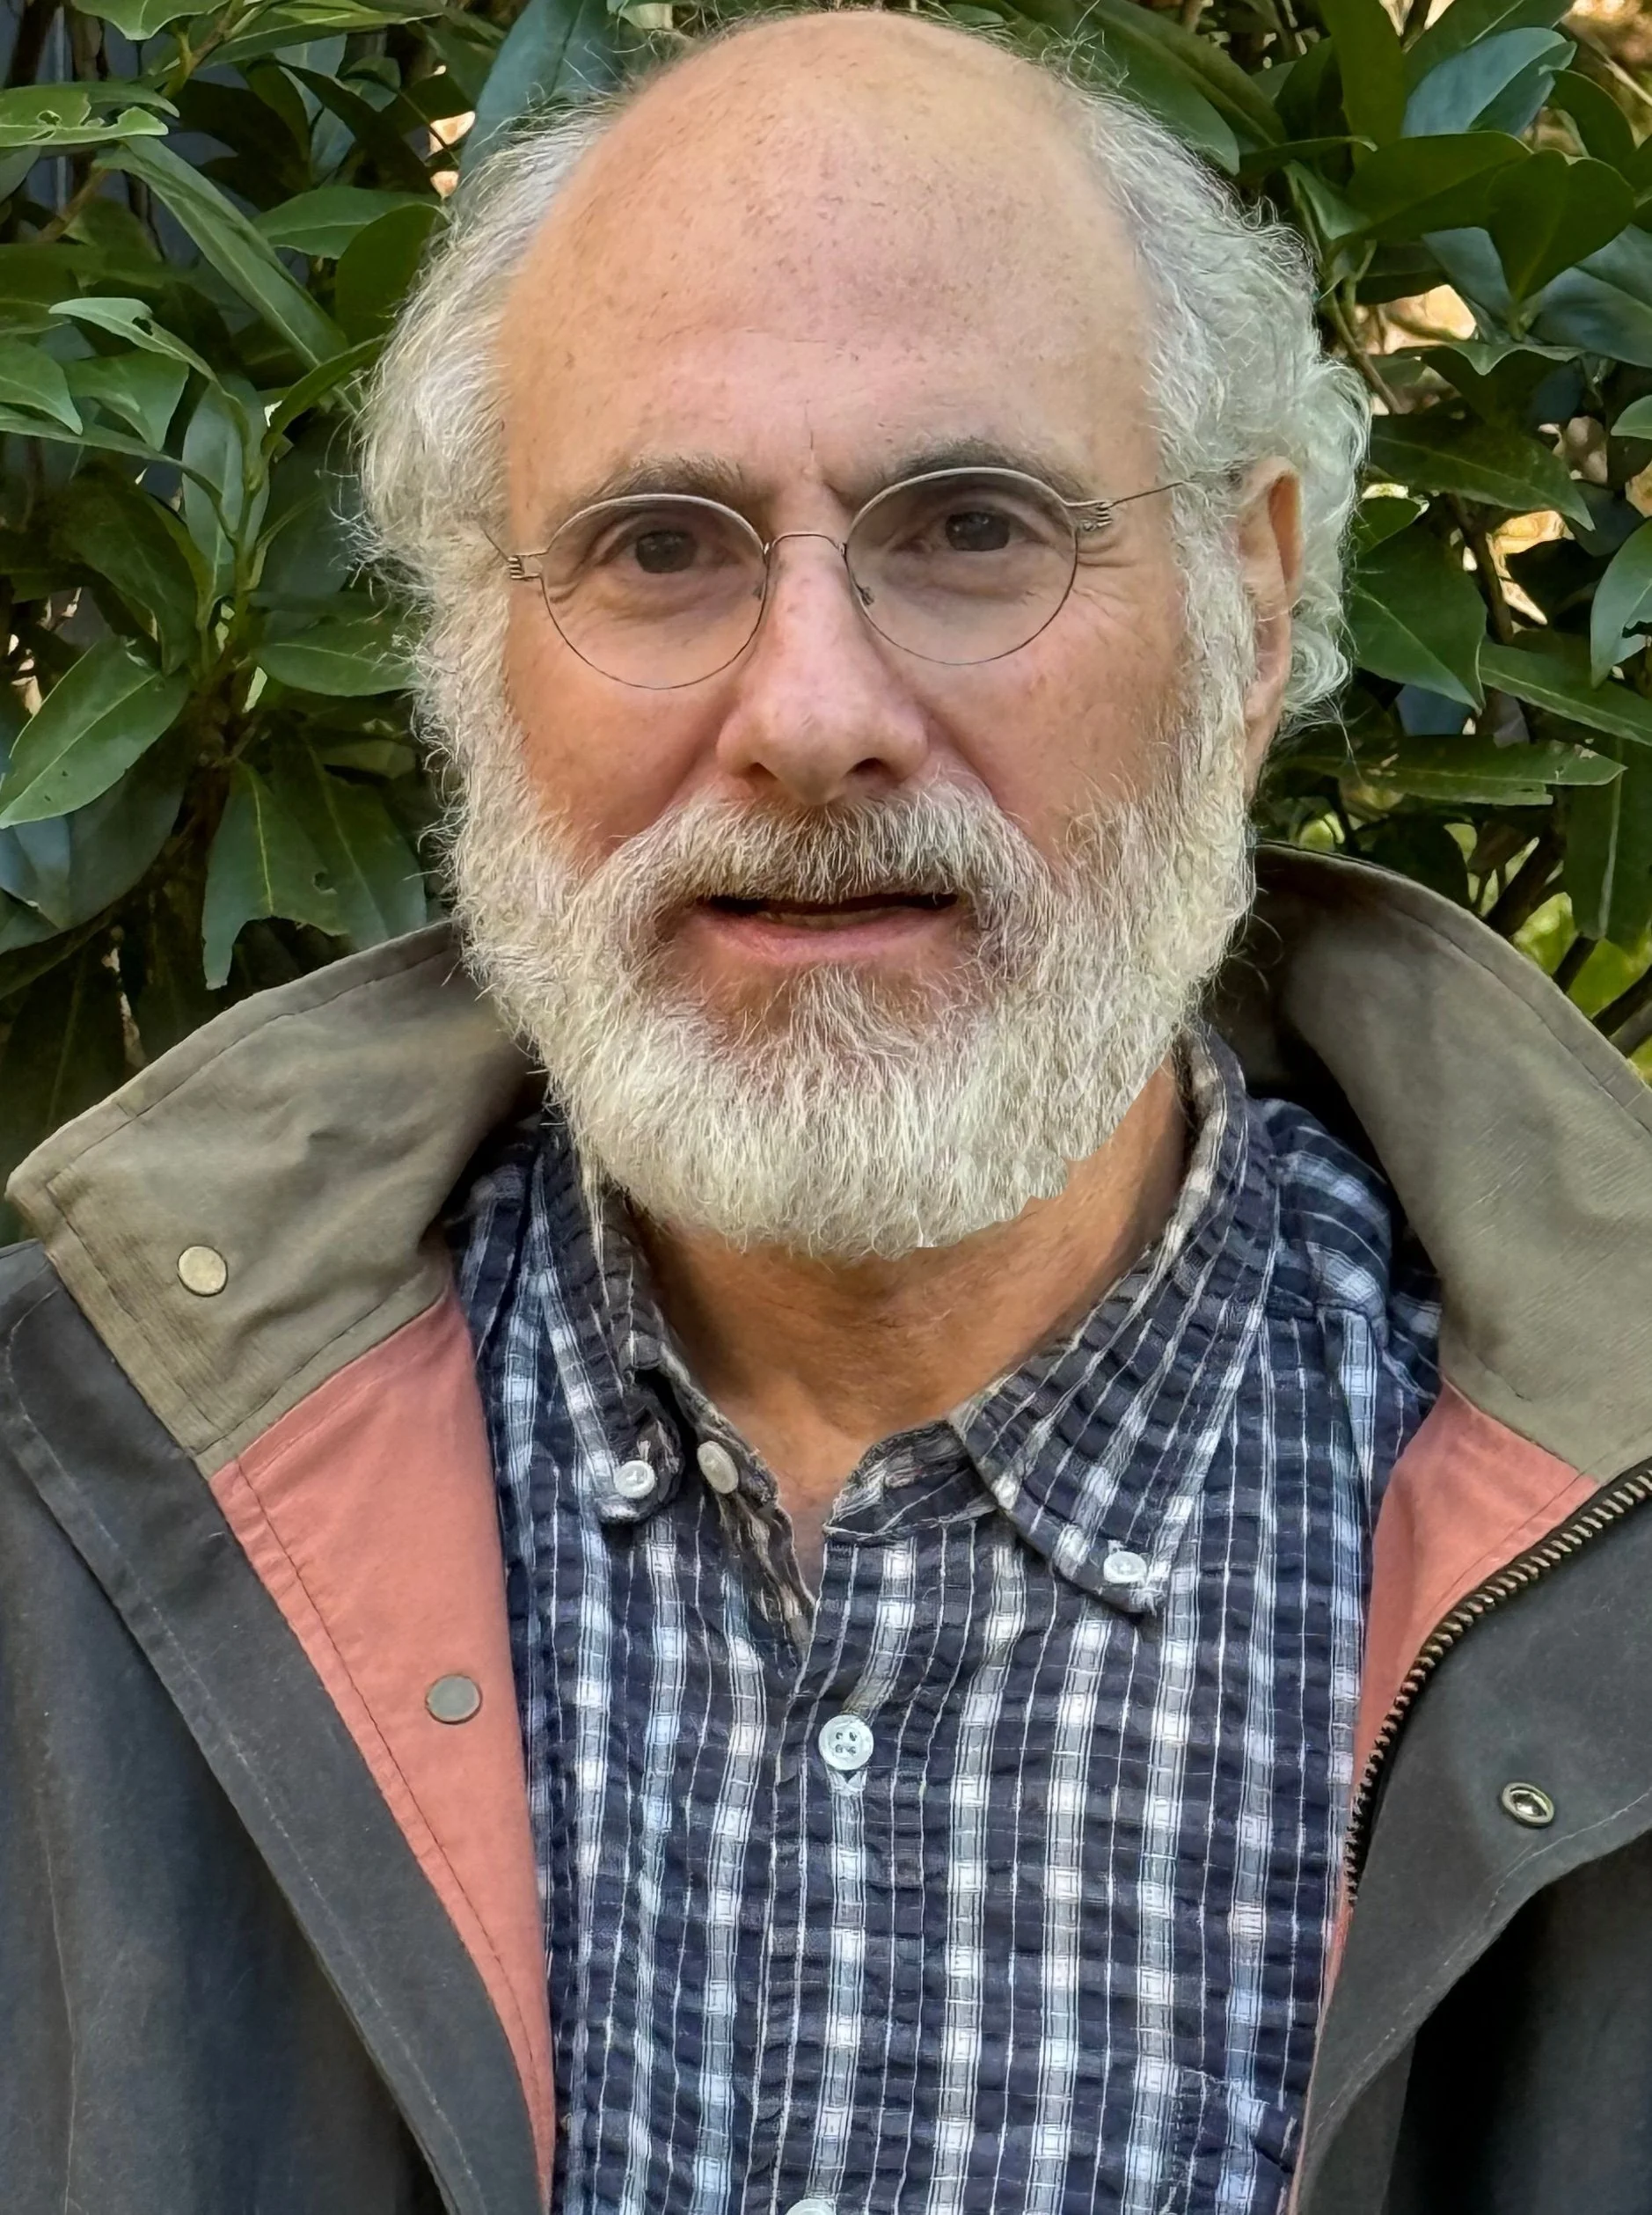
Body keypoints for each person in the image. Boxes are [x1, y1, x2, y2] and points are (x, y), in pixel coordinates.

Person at [2, 11, 1649, 2214]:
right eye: (661, 547)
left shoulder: (1591, 1565)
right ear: (471, 660)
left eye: (971, 526)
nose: (807, 715)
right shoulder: (67, 1517)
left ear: (1252, 612)